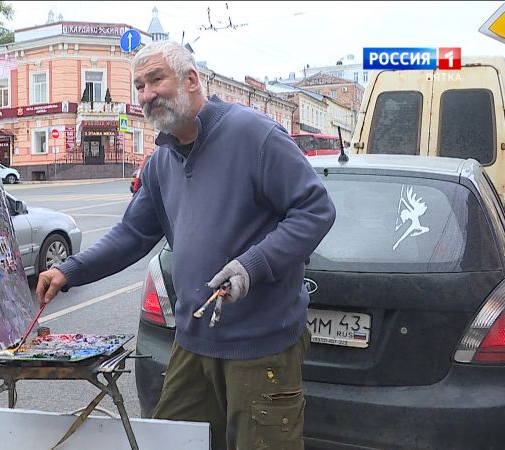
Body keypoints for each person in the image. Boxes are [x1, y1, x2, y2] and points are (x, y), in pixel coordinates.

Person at [36, 40, 336, 450]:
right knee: (171, 442)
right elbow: (131, 235)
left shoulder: (254, 134)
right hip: (192, 342)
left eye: (156, 79)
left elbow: (315, 210)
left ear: (191, 79)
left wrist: (252, 265)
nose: (146, 94)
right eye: (139, 86)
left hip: (262, 344)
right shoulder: (162, 161)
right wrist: (69, 271)